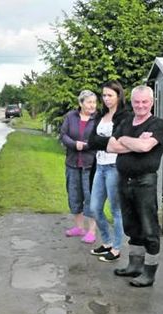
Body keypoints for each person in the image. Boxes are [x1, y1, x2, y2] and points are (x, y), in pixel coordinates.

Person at [106, 85, 163, 287]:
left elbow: (145, 146)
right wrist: (130, 142)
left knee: (149, 228)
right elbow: (110, 146)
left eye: (145, 102)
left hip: (145, 181)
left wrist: (124, 141)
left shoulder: (158, 124)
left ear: (152, 102)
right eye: (136, 102)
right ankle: (134, 265)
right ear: (131, 102)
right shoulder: (125, 121)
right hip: (124, 180)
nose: (140, 106)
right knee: (131, 225)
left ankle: (149, 272)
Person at [87, 81, 129, 262]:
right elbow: (91, 141)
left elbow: (119, 142)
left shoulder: (125, 116)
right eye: (103, 95)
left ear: (118, 96)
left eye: (110, 95)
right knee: (94, 207)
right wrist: (107, 142)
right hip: (100, 166)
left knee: (115, 209)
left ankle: (117, 247)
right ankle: (107, 242)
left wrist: (104, 142)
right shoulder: (100, 116)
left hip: (114, 167)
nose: (106, 99)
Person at [60, 90, 98, 243]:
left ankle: (92, 231)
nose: (92, 105)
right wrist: (75, 144)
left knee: (91, 198)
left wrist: (86, 146)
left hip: (90, 165)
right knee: (74, 196)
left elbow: (100, 139)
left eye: (94, 102)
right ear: (81, 103)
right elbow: (63, 135)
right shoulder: (71, 116)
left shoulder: (98, 119)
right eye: (89, 102)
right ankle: (79, 227)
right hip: (72, 163)